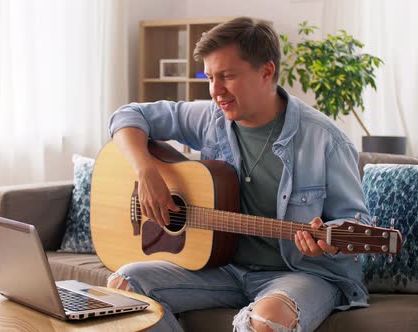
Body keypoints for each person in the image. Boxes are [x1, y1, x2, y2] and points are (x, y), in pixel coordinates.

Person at [106, 17, 371, 332]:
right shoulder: (210, 118)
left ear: (267, 71)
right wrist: (146, 171)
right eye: (210, 77)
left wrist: (330, 240)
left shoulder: (325, 139)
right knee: (123, 285)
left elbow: (359, 225)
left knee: (268, 319)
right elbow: (127, 115)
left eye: (228, 76)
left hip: (302, 275)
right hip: (222, 268)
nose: (216, 91)